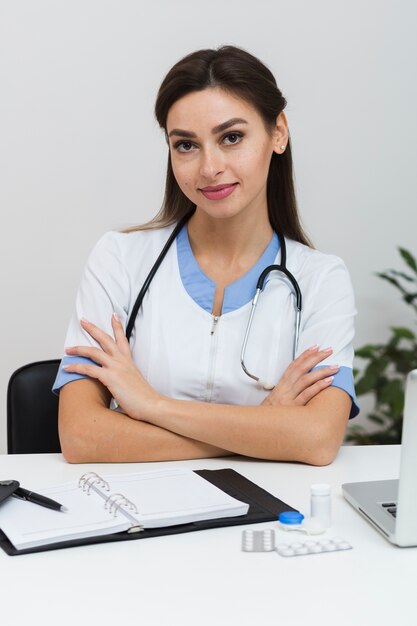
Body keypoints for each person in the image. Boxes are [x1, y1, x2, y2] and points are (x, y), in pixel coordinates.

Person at [54, 45, 358, 465]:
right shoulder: (119, 259)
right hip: (143, 513)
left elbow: (317, 440)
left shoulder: (321, 280)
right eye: (186, 145)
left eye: (231, 137)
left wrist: (150, 405)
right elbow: (81, 436)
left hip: (269, 515)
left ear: (278, 133)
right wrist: (263, 427)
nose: (209, 167)